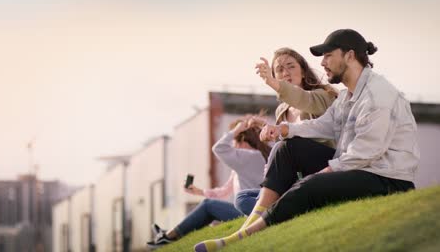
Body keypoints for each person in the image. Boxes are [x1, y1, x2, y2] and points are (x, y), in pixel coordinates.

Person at [194, 29, 419, 252]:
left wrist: (323, 174)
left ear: (349, 56)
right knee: (286, 149)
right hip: (359, 167)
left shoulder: (377, 95)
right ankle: (250, 221)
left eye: (329, 55)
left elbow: (364, 154)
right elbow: (324, 125)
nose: (322, 63)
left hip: (386, 179)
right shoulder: (347, 96)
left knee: (309, 185)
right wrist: (285, 129)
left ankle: (242, 236)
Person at [234, 47, 338, 216]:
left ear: (303, 71)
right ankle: (282, 207)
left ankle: (272, 211)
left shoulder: (322, 95)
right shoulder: (281, 110)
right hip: (295, 175)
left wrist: (272, 83)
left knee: (288, 145)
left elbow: (303, 99)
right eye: (279, 69)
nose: (285, 72)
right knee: (241, 197)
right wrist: (268, 132)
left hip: (324, 166)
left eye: (291, 66)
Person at [147, 116, 271, 249]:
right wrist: (199, 191)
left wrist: (236, 130)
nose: (233, 147)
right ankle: (168, 235)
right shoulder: (247, 161)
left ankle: (168, 237)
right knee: (209, 207)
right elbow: (225, 191)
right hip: (250, 209)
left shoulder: (251, 157)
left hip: (250, 211)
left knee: (208, 205)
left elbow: (219, 148)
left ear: (242, 140)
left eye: (234, 142)